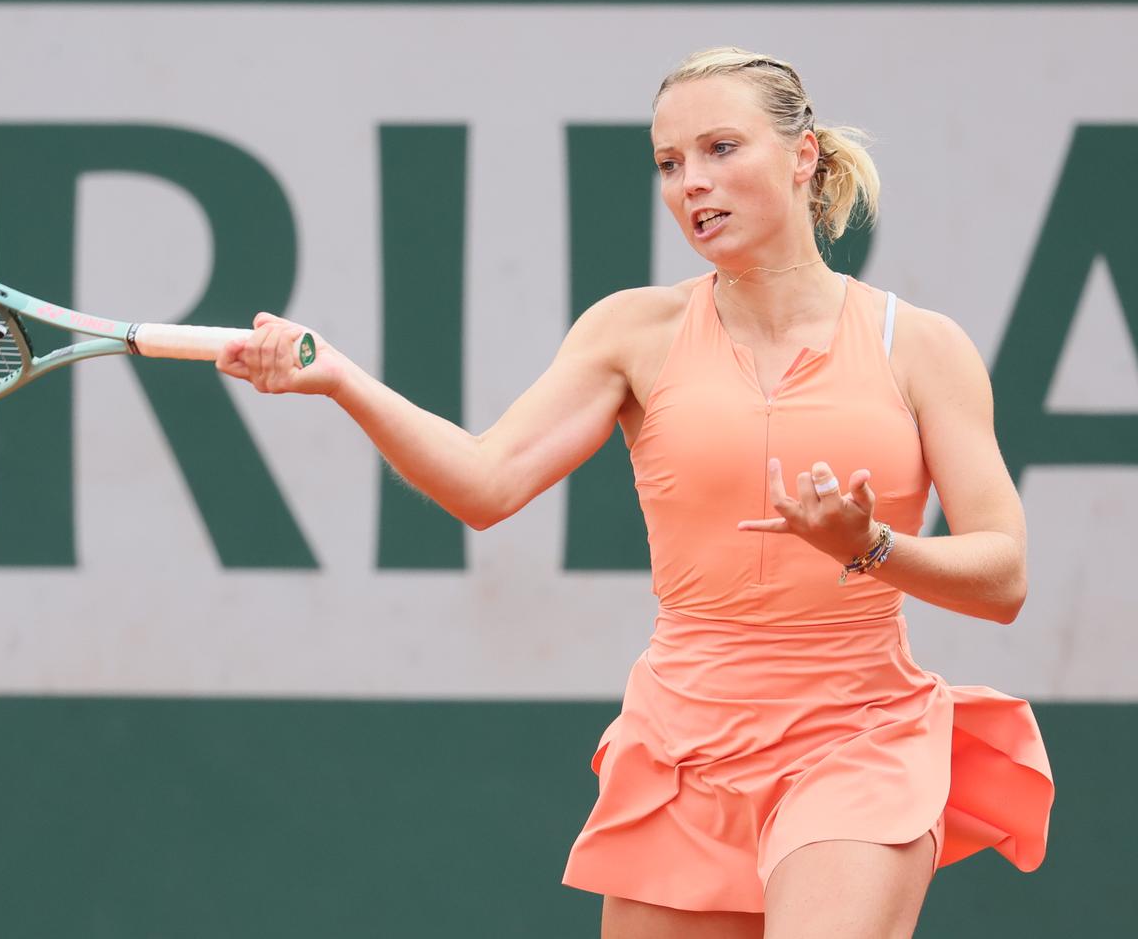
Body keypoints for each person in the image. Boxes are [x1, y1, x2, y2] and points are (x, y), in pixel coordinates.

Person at [215, 47, 1053, 938]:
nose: (692, 182)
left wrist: (871, 547)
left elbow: (1002, 575)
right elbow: (485, 484)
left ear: (804, 154)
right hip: (682, 749)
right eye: (669, 162)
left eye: (721, 148)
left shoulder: (920, 346)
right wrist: (342, 377)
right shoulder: (631, 332)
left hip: (859, 736)